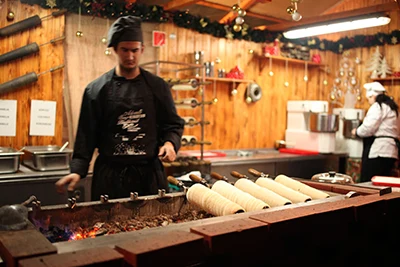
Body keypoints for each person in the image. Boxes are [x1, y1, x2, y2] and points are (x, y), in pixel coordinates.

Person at [56, 16, 184, 200]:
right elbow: (86, 136)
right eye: (124, 50)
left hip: (149, 176)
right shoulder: (96, 90)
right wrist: (78, 171)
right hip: (109, 179)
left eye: (134, 50)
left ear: (142, 49)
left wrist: (170, 144)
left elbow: (172, 124)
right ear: (114, 49)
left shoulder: (158, 87)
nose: (130, 56)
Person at [351, 81, 400, 182]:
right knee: (383, 183)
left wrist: (356, 132)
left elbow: (368, 128)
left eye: (369, 98)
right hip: (392, 151)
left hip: (379, 151)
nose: (368, 101)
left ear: (372, 95)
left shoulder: (378, 106)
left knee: (370, 182)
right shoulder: (393, 108)